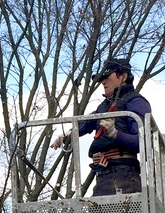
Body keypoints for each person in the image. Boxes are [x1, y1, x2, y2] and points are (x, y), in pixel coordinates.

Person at [51, 58, 152, 196]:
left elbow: (143, 142)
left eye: (107, 76)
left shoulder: (136, 102)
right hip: (103, 176)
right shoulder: (104, 105)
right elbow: (87, 122)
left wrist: (115, 134)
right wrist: (67, 134)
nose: (103, 82)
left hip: (124, 177)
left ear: (123, 76)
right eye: (101, 78)